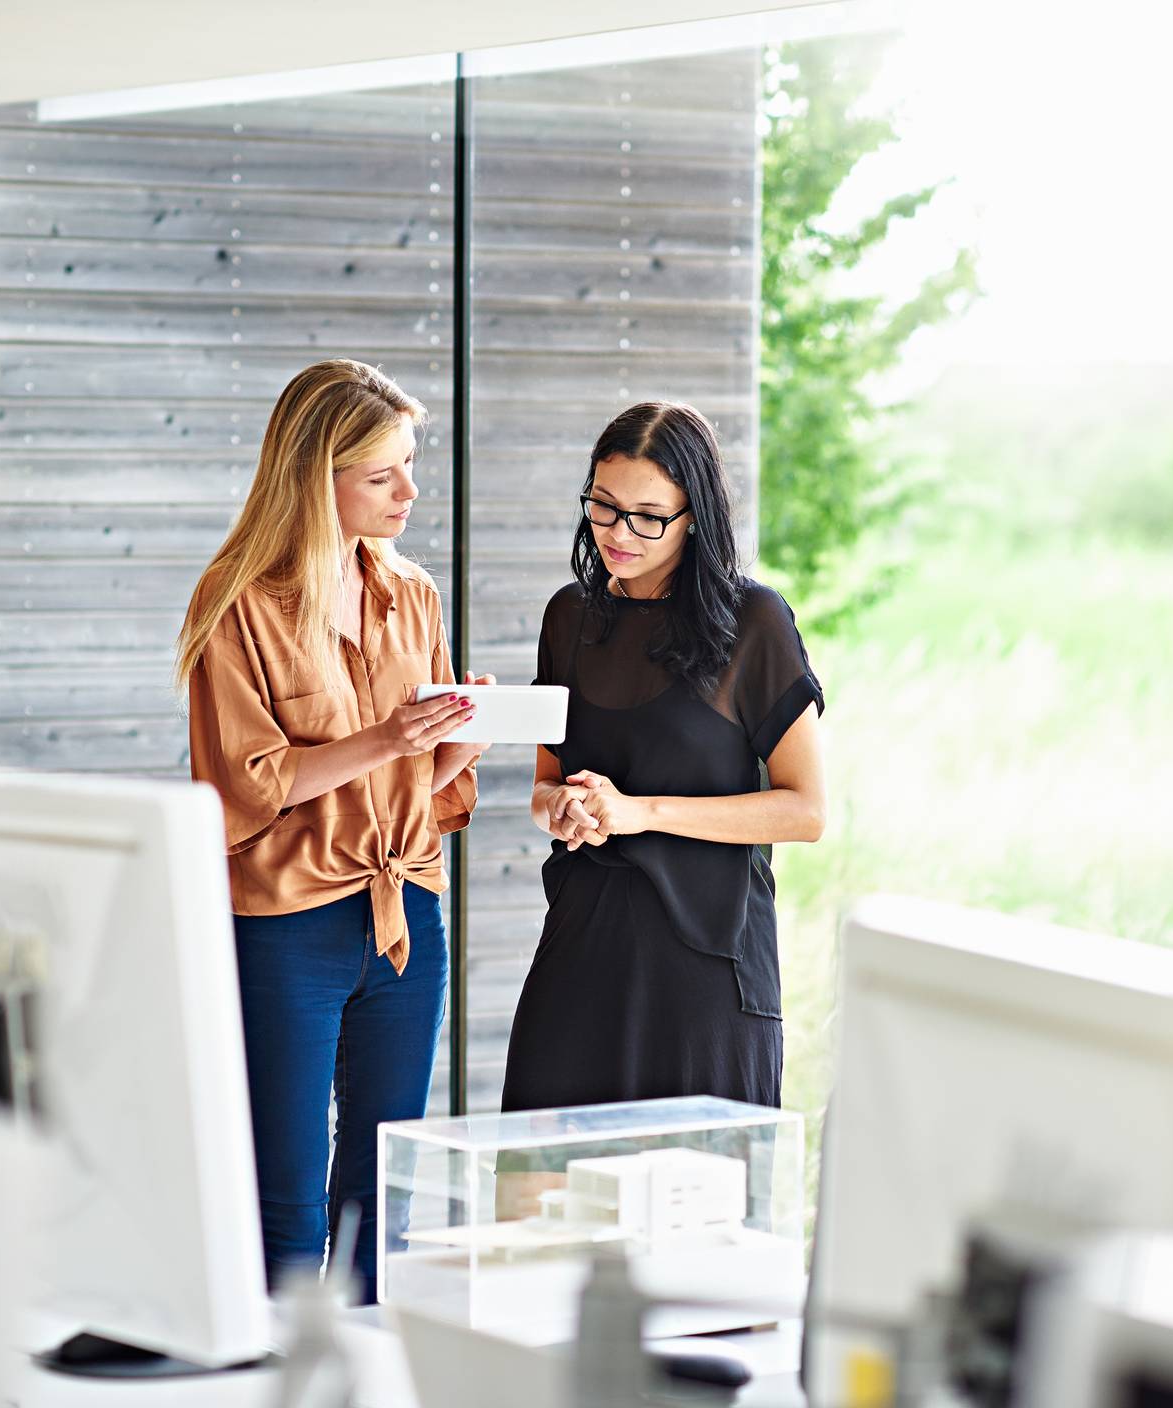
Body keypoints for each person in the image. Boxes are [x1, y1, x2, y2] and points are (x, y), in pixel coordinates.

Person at [175, 359, 490, 1302]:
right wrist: (385, 737)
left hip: (407, 915)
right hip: (287, 924)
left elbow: (424, 789)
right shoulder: (236, 600)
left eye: (410, 464)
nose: (409, 490)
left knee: (383, 1195)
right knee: (286, 1201)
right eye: (382, 473)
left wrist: (458, 742)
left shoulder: (415, 596)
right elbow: (247, 782)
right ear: (319, 478)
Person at [501, 401, 826, 1114]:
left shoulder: (754, 623)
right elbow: (543, 787)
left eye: (648, 516)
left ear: (693, 516)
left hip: (705, 969)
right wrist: (563, 810)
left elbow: (805, 812)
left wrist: (636, 812)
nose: (619, 534)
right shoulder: (569, 617)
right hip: (580, 951)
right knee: (540, 1205)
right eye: (604, 506)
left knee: (696, 1213)